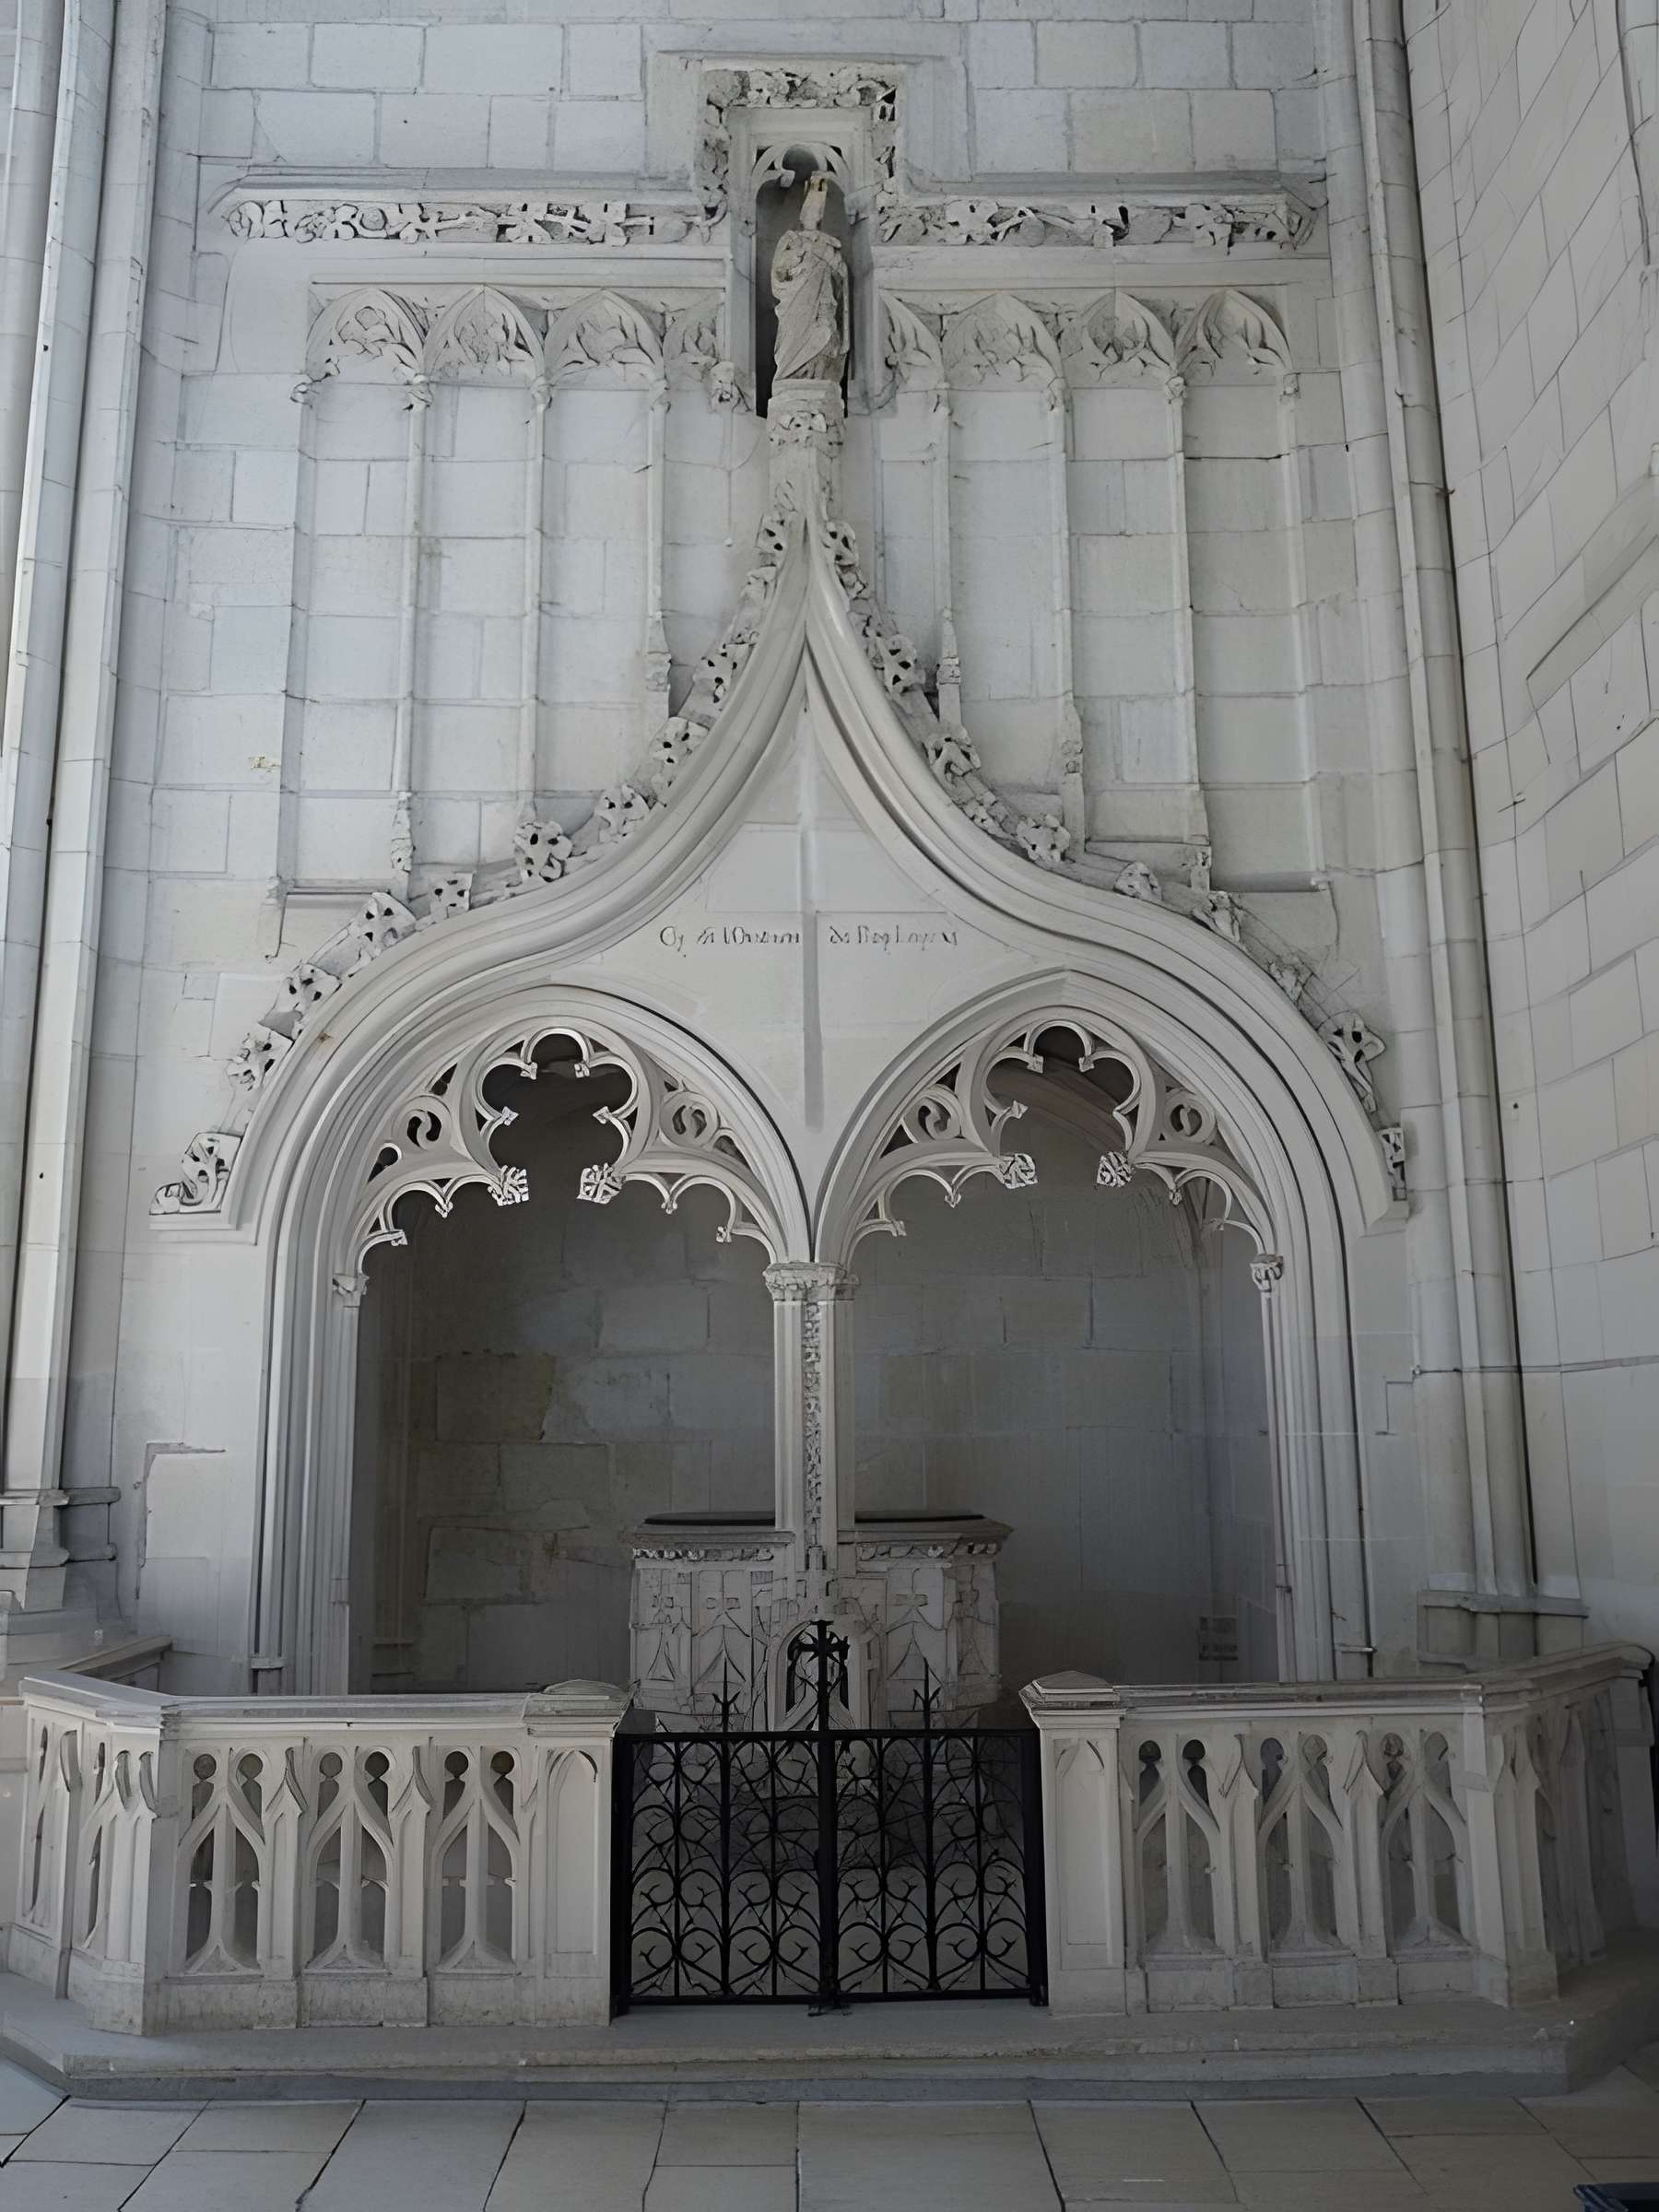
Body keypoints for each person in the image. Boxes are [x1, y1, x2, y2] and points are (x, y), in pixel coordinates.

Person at [771, 171, 848, 386]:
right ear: (802, 215)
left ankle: (818, 377)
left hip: (823, 299)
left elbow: (841, 273)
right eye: (809, 211)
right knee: (794, 337)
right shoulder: (790, 239)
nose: (813, 215)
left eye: (817, 212)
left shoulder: (829, 244)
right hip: (797, 300)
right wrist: (798, 256)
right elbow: (779, 272)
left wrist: (829, 258)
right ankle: (792, 376)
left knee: (824, 331)